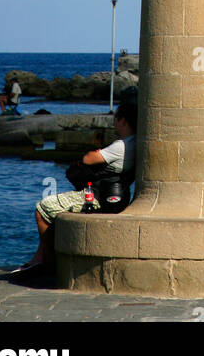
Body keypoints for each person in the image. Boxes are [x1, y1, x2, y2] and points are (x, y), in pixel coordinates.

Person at [10, 102, 137, 281]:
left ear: (122, 121)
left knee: (43, 208)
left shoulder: (121, 146)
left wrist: (98, 152)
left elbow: (89, 158)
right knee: (55, 209)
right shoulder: (137, 142)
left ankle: (47, 263)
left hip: (100, 197)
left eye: (115, 118)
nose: (114, 122)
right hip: (118, 195)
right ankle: (40, 257)